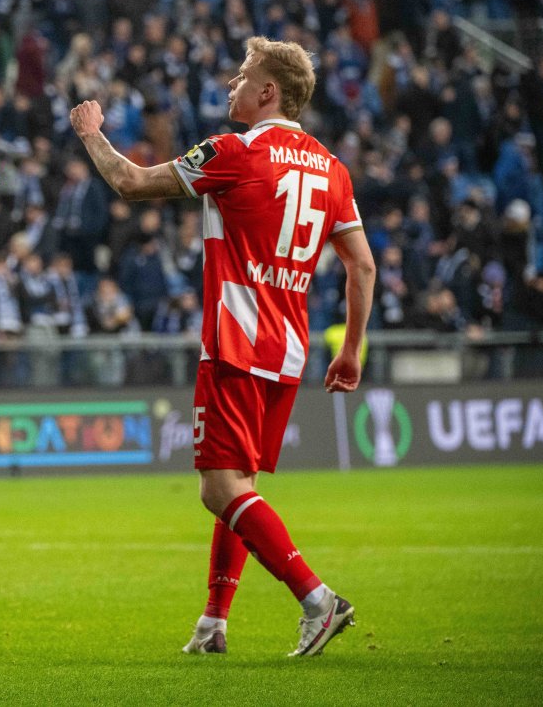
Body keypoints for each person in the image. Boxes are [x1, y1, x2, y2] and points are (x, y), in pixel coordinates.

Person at [70, 36, 376, 657]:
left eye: (242, 75)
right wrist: (353, 350)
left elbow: (129, 182)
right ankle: (214, 622)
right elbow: (362, 266)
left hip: (236, 342)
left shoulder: (233, 152)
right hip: (288, 350)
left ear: (269, 92)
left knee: (218, 489)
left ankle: (318, 600)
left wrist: (90, 132)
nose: (232, 84)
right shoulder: (332, 167)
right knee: (240, 484)